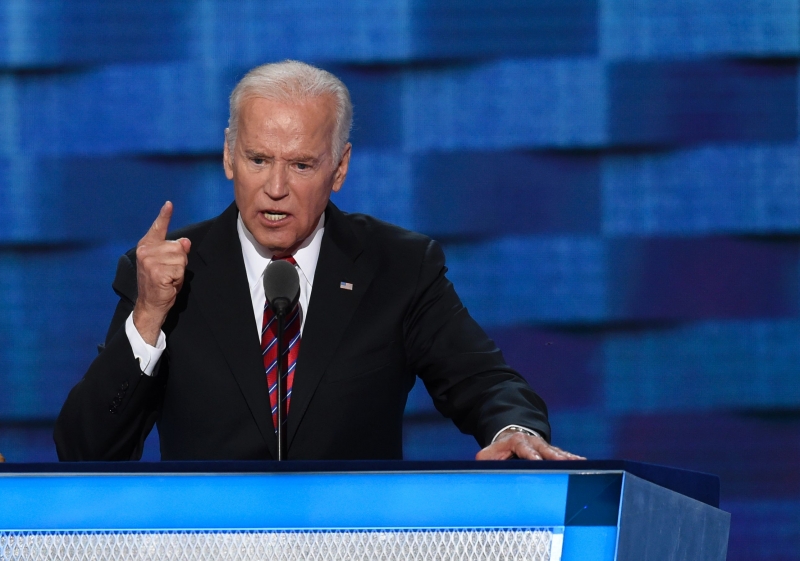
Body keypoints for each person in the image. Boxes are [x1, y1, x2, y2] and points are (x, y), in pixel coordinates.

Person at [54, 60, 583, 463]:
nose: (276, 188)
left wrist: (516, 431)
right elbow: (85, 451)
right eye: (258, 160)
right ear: (228, 155)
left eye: (301, 164)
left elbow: (484, 382)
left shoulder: (398, 267)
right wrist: (148, 318)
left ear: (339, 168)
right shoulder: (168, 275)